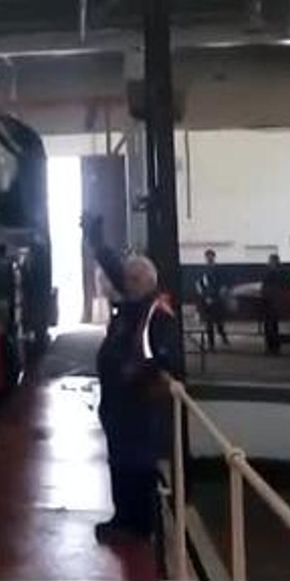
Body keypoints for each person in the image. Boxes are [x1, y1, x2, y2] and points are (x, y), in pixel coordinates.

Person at [81, 213, 183, 546]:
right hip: (118, 402)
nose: (124, 283)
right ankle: (123, 516)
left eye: (131, 279)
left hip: (137, 403)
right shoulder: (134, 306)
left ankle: (140, 524)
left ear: (145, 281)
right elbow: (116, 269)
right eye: (126, 278)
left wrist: (134, 372)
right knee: (119, 460)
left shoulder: (157, 312)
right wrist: (96, 241)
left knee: (137, 463)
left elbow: (166, 356)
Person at [195, 249, 229, 351]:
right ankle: (211, 344)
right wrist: (204, 296)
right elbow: (199, 284)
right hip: (208, 298)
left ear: (214, 257)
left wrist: (220, 293)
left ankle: (223, 336)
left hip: (216, 298)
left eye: (211, 256)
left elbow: (223, 283)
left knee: (218, 321)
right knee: (209, 323)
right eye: (208, 256)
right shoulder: (203, 270)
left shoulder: (218, 269)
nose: (209, 258)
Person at [260, 254, 290, 355]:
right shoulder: (280, 273)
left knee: (269, 326)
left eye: (270, 261)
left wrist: (264, 293)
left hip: (269, 301)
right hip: (274, 302)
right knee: (273, 326)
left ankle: (271, 347)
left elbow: (265, 286)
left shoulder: (271, 272)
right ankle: (274, 347)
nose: (269, 263)